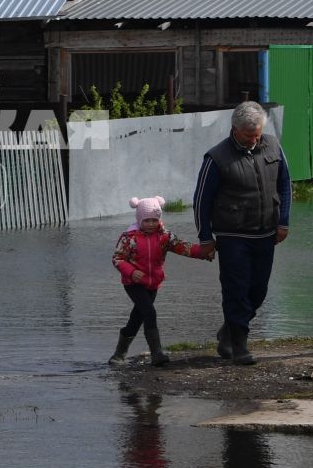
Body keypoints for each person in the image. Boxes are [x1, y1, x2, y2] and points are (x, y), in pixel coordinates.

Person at [194, 101, 291, 366]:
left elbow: (285, 185)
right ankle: (239, 346)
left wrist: (283, 222)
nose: (254, 139)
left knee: (257, 291)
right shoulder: (217, 158)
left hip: (266, 234)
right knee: (236, 290)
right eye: (249, 135)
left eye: (257, 134)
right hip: (232, 235)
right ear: (234, 129)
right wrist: (205, 238)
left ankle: (228, 331)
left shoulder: (273, 146)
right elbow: (201, 200)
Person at [110, 195, 213, 367]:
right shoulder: (129, 237)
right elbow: (117, 258)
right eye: (147, 220)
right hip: (133, 283)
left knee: (137, 317)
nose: (151, 224)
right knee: (149, 312)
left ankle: (119, 354)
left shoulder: (165, 237)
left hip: (152, 283)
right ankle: (157, 354)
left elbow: (183, 247)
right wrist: (131, 271)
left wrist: (204, 252)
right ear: (139, 219)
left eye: (154, 220)